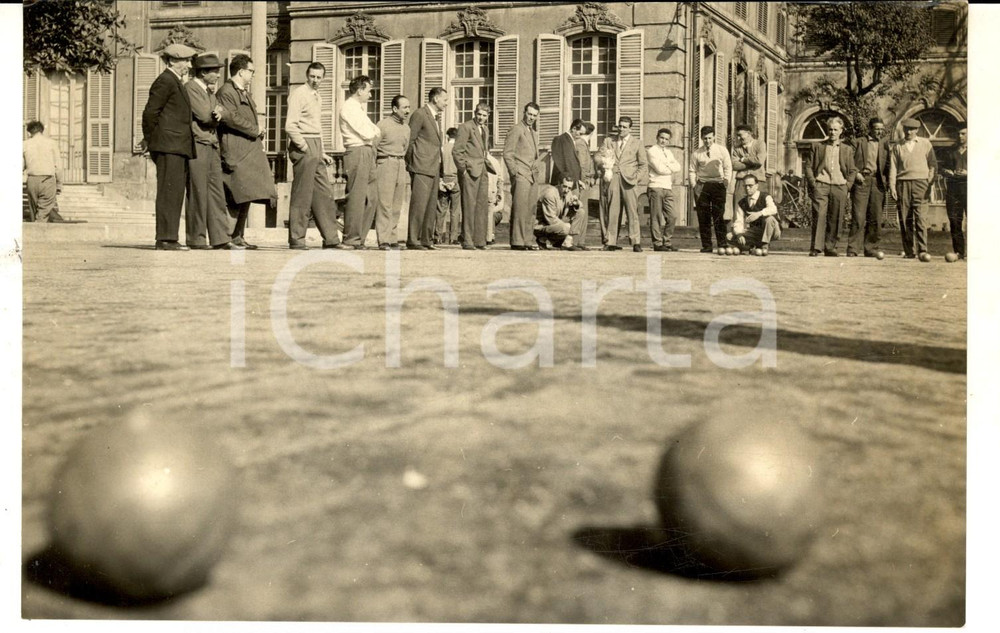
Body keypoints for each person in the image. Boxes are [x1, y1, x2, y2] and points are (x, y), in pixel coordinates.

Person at [216, 53, 277, 250]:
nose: (253, 75)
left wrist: (258, 131)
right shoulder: (227, 91)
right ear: (241, 71)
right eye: (251, 71)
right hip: (236, 149)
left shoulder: (243, 92)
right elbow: (229, 118)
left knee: (247, 193)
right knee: (235, 194)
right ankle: (225, 237)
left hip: (248, 149)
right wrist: (255, 129)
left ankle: (238, 236)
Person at [141, 42, 197, 250]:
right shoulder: (165, 81)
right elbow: (150, 113)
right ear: (174, 61)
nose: (189, 65)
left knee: (174, 193)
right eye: (186, 60)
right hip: (169, 146)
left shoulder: (174, 81)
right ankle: (165, 238)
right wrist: (152, 140)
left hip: (175, 145)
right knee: (168, 192)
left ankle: (170, 236)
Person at [285, 61, 344, 250]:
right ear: (307, 75)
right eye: (312, 76)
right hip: (304, 144)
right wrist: (303, 146)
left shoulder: (317, 96)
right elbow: (290, 125)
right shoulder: (299, 94)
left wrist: (322, 152)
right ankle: (297, 239)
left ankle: (331, 238)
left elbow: (316, 127)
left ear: (323, 78)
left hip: (316, 146)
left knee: (323, 195)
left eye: (319, 77)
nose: (315, 80)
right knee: (302, 195)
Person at [183, 53, 237, 250]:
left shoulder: (207, 91)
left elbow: (223, 112)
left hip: (211, 144)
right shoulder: (191, 89)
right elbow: (206, 116)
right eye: (215, 71)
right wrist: (218, 113)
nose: (217, 75)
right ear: (204, 72)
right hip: (198, 145)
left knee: (216, 192)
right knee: (197, 192)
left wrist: (219, 112)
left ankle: (221, 237)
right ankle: (196, 238)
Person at [803, 115, 856, 257]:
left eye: (835, 130)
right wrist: (813, 183)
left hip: (840, 186)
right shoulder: (818, 146)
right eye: (830, 129)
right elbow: (808, 166)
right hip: (821, 184)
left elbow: (852, 170)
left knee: (836, 217)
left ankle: (830, 247)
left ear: (841, 131)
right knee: (819, 215)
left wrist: (848, 186)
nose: (832, 132)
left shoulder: (847, 149)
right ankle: (816, 247)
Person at [339, 74, 381, 249]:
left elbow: (375, 129)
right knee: (356, 197)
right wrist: (374, 134)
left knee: (372, 197)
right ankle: (351, 238)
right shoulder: (348, 108)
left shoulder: (359, 109)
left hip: (367, 151)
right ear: (360, 90)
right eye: (369, 91)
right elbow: (369, 133)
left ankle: (359, 238)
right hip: (357, 151)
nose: (370, 95)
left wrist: (374, 134)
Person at [405, 87, 448, 250]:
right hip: (421, 166)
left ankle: (426, 239)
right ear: (436, 99)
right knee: (419, 204)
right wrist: (412, 164)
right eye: (445, 99)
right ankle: (413, 239)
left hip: (434, 167)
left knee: (430, 205)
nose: (446, 103)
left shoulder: (436, 118)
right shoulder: (420, 114)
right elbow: (410, 141)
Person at [888, 117, 937, 259]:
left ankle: (923, 249)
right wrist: (892, 186)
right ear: (903, 129)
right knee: (905, 218)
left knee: (921, 218)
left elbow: (933, 164)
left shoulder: (925, 143)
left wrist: (929, 182)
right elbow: (893, 168)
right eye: (907, 129)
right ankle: (909, 251)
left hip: (921, 183)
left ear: (917, 130)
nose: (909, 132)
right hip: (902, 183)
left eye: (912, 129)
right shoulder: (897, 146)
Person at [598, 116, 647, 252]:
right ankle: (611, 241)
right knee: (613, 210)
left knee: (632, 211)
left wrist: (636, 178)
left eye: (625, 127)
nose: (621, 129)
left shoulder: (637, 143)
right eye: (620, 126)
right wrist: (604, 166)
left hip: (629, 181)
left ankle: (635, 242)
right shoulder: (609, 141)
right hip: (613, 179)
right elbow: (599, 156)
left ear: (630, 129)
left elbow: (643, 165)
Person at [453, 102, 495, 250]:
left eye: (484, 115)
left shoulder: (486, 129)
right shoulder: (466, 127)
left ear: (488, 116)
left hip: (482, 170)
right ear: (475, 113)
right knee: (469, 206)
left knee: (482, 206)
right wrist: (463, 170)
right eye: (479, 114)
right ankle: (468, 241)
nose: (481, 118)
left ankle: (480, 241)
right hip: (470, 172)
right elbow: (457, 151)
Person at [848, 117, 890, 257]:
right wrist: (856, 173)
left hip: (878, 182)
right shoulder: (858, 142)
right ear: (870, 129)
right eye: (876, 129)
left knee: (876, 218)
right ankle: (853, 249)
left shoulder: (886, 145)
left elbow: (890, 164)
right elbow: (848, 160)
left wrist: (888, 181)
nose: (879, 132)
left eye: (881, 129)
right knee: (858, 217)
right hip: (862, 181)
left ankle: (871, 248)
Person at [503, 102, 543, 250]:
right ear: (524, 113)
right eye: (529, 114)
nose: (531, 117)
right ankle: (517, 241)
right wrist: (515, 173)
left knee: (531, 209)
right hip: (521, 174)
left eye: (534, 115)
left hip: (532, 175)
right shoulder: (516, 129)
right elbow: (508, 153)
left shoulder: (533, 132)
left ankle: (527, 240)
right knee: (520, 209)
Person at [375, 94, 412, 250]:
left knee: (397, 204)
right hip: (385, 163)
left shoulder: (406, 128)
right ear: (395, 108)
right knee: (385, 203)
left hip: (400, 164)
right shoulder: (382, 125)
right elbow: (373, 146)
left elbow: (405, 148)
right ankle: (383, 239)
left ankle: (392, 238)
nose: (408, 111)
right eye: (404, 107)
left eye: (409, 107)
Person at [689, 125, 732, 253]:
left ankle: (722, 244)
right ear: (701, 138)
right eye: (705, 138)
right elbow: (692, 170)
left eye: (710, 138)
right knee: (703, 217)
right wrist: (694, 185)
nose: (707, 141)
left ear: (714, 137)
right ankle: (707, 245)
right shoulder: (697, 153)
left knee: (718, 215)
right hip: (702, 186)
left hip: (718, 185)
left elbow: (728, 167)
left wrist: (726, 182)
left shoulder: (722, 150)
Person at [646, 127, 682, 252]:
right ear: (657, 137)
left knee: (673, 216)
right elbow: (659, 169)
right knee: (656, 217)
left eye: (666, 139)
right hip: (655, 186)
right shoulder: (652, 151)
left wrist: (667, 165)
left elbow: (678, 167)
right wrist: (669, 166)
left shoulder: (669, 152)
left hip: (668, 187)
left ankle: (667, 241)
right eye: (661, 138)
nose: (663, 141)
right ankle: (657, 243)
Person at [23, 120, 64, 223]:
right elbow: (58, 167)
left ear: (29, 132)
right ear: (42, 131)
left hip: (32, 180)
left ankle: (34, 234)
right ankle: (38, 236)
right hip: (47, 181)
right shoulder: (52, 143)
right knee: (42, 215)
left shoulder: (25, 144)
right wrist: (59, 184)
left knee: (34, 212)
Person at [728, 174, 781, 256]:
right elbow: (739, 221)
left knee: (769, 219)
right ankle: (751, 246)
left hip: (773, 230)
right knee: (729, 236)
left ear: (757, 186)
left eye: (750, 185)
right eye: (745, 186)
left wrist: (759, 214)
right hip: (756, 231)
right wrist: (739, 235)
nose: (747, 188)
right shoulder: (742, 202)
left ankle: (764, 245)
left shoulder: (766, 196)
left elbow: (773, 209)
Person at [940, 123, 967, 259]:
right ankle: (959, 252)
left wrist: (968, 173)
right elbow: (942, 168)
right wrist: (948, 172)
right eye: (958, 133)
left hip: (971, 189)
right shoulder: (950, 151)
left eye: (963, 133)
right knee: (955, 221)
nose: (960, 136)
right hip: (953, 190)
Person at [534, 177, 584, 250]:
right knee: (566, 227)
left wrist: (576, 203)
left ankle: (566, 242)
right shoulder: (550, 194)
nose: (566, 190)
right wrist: (568, 227)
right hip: (542, 225)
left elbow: (580, 205)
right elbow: (550, 219)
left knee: (580, 212)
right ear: (559, 184)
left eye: (569, 188)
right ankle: (542, 239)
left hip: (556, 223)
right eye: (564, 186)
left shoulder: (568, 192)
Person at [572, 121, 597, 250]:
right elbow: (582, 165)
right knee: (580, 211)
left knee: (583, 211)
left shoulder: (581, 144)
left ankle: (580, 241)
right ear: (591, 134)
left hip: (584, 180)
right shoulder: (581, 144)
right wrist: (584, 180)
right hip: (582, 182)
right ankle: (576, 241)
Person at [731, 124, 766, 210]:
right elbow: (734, 165)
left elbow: (759, 161)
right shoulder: (736, 148)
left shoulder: (759, 144)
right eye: (737, 136)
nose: (738, 138)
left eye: (740, 135)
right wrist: (752, 163)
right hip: (741, 181)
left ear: (749, 134)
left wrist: (743, 159)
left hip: (758, 180)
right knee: (739, 206)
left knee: (758, 206)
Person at [436, 127, 461, 244]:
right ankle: (453, 237)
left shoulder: (442, 148)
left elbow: (439, 166)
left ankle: (438, 236)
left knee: (441, 210)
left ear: (447, 136)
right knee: (455, 211)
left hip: (444, 179)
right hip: (455, 180)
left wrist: (441, 180)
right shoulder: (459, 149)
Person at [550, 119, 584, 187]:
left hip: (572, 183)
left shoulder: (571, 141)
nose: (581, 136)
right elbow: (559, 163)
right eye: (580, 133)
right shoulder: (560, 139)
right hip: (564, 183)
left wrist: (577, 180)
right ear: (574, 129)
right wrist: (567, 178)